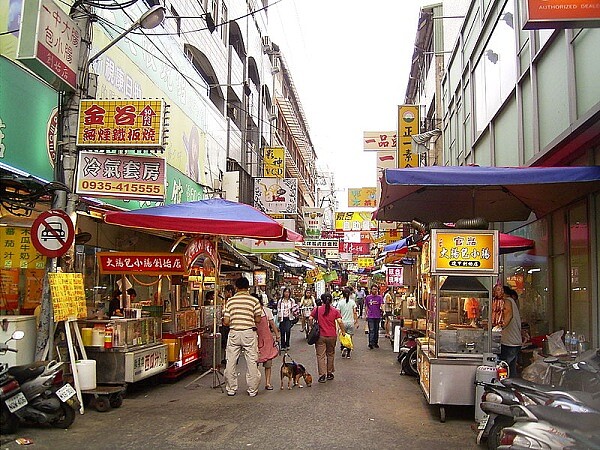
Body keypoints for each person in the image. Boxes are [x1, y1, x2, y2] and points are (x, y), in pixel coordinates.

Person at [222, 277, 262, 397]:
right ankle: (252, 389)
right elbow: (258, 319)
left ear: (236, 287)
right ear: (248, 287)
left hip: (234, 332)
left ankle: (231, 388)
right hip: (249, 333)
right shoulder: (254, 301)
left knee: (231, 361)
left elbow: (226, 321)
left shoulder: (230, 301)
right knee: (251, 361)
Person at [310, 293, 346, 383]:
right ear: (331, 300)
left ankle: (322, 375)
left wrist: (312, 327)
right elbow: (340, 321)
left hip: (320, 336)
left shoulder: (317, 309)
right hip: (332, 336)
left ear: (321, 300)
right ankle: (329, 373)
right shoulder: (335, 311)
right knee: (330, 354)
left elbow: (310, 318)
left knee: (320, 356)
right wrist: (343, 331)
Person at [254, 293, 280, 390]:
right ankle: (254, 383)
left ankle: (267, 383)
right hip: (255, 339)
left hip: (267, 339)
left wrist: (277, 335)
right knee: (254, 362)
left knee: (268, 363)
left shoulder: (267, 311)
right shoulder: (250, 312)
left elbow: (272, 324)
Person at [500, 286, 522, 378]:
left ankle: (506, 389)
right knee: (511, 372)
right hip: (513, 343)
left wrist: (500, 327)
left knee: (504, 369)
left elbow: (508, 315)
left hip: (510, 344)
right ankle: (512, 390)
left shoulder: (508, 301)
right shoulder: (510, 301)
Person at [337, 287, 358, 358]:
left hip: (342, 323)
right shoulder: (352, 302)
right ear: (349, 294)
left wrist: (337, 323)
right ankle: (348, 352)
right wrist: (356, 321)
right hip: (350, 322)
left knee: (342, 336)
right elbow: (355, 312)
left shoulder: (340, 302)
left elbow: (338, 313)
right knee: (349, 337)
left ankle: (343, 347)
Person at [365, 285, 384, 349]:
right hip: (370, 316)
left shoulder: (380, 297)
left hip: (378, 316)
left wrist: (383, 310)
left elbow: (381, 305)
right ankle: (371, 343)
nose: (375, 290)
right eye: (373, 289)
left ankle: (376, 342)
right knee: (371, 330)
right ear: (371, 290)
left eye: (376, 289)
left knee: (376, 330)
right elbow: (366, 306)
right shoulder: (368, 297)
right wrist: (366, 314)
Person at [220, 284, 235, 364]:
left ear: (229, 292)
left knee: (229, 343)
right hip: (229, 324)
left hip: (229, 324)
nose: (224, 294)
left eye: (225, 292)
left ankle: (229, 359)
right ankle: (227, 358)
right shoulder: (227, 300)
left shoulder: (230, 301)